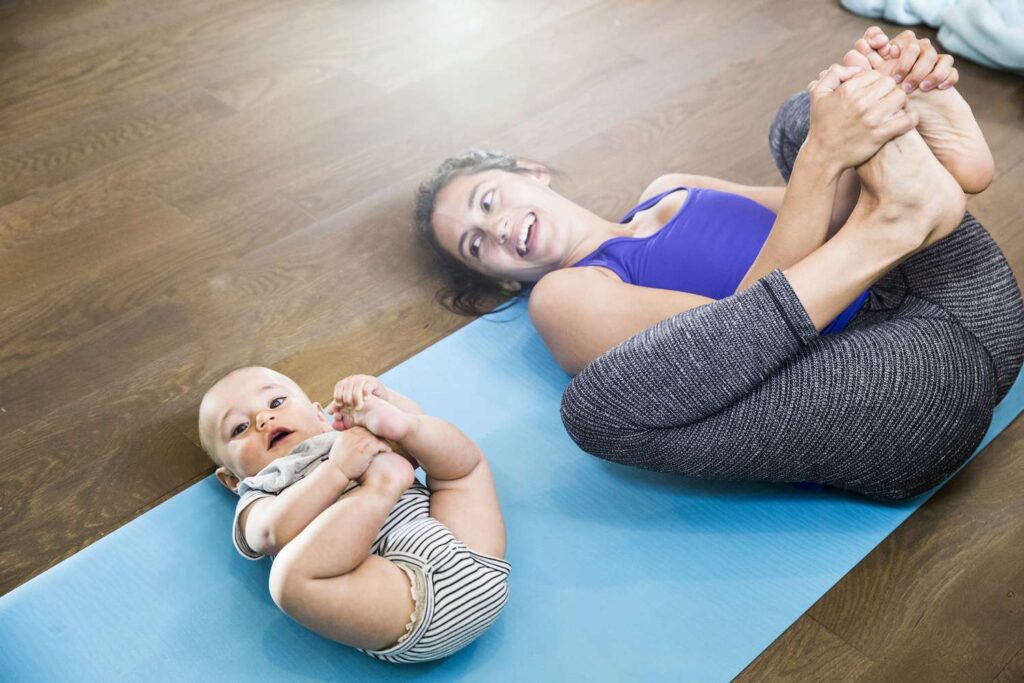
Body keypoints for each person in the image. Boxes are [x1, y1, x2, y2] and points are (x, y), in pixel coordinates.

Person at [415, 28, 1024, 500]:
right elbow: (738, 341)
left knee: (803, 117)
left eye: (488, 201)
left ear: (530, 172)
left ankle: (915, 147)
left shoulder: (672, 187)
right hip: (902, 388)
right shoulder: (566, 295)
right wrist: (825, 156)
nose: (495, 228)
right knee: (597, 407)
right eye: (477, 244)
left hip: (967, 300)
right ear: (498, 278)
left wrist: (871, 97)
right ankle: (899, 205)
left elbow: (820, 212)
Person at [197, 367, 509, 663]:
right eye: (240, 428)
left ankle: (402, 426)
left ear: (320, 415)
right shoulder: (260, 490)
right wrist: (337, 470)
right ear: (232, 481)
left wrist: (385, 403)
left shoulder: (349, 433)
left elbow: (420, 450)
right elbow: (268, 534)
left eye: (276, 402)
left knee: (461, 464)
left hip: (468, 546)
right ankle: (379, 490)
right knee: (288, 581)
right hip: (402, 600)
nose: (263, 418)